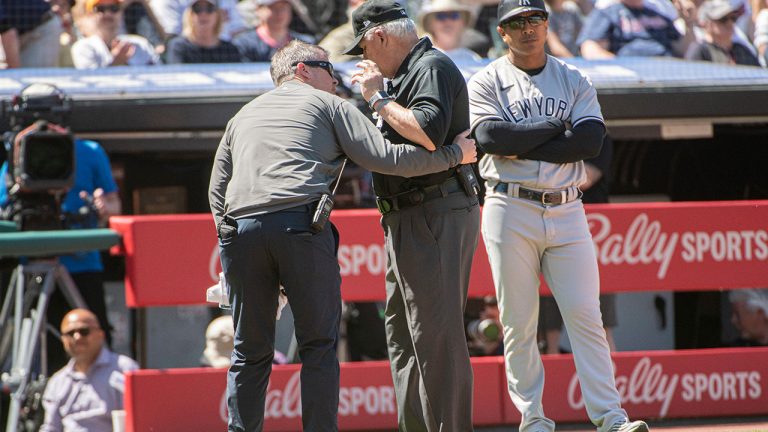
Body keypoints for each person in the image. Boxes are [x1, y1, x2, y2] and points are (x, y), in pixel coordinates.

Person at [208, 39, 476, 432]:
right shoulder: (329, 105)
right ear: (302, 70)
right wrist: (455, 155)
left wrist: (231, 240)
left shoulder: (241, 116)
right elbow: (388, 159)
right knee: (317, 345)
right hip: (299, 226)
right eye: (328, 70)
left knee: (249, 352)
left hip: (240, 233)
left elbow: (217, 192)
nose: (336, 80)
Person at [467, 0, 648, 430]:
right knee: (517, 320)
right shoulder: (486, 80)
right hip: (509, 205)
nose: (528, 27)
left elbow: (587, 143)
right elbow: (491, 137)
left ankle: (610, 418)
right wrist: (556, 129)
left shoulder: (574, 77)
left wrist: (523, 142)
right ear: (502, 32)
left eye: (535, 19)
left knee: (586, 316)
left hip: (567, 207)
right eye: (517, 22)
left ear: (547, 24)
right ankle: (532, 419)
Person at [343, 1, 481, 429]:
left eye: (363, 47)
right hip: (405, 215)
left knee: (436, 337)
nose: (363, 59)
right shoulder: (401, 74)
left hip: (434, 208)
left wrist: (377, 98)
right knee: (403, 337)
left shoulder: (430, 65)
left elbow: (426, 131)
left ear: (380, 36)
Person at [0, 132, 121, 371]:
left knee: (94, 337)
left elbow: (114, 204)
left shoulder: (90, 151)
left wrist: (104, 209)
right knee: (38, 349)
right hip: (30, 266)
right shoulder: (15, 153)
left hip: (82, 265)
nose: (44, 126)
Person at [538, 139, 619, 354]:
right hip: (554, 225)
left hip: (594, 232)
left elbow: (587, 178)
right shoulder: (550, 131)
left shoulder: (596, 133)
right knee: (550, 326)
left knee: (602, 323)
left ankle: (610, 384)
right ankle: (554, 383)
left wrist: (546, 174)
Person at [39, 308, 138, 432]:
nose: (77, 337)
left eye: (84, 331)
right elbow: (51, 427)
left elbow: (139, 419)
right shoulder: (57, 382)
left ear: (100, 334)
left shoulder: (124, 369)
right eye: (70, 333)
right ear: (63, 340)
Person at [578, 0, 694, 58]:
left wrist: (689, 23)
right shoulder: (609, 9)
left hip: (665, 70)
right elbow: (589, 48)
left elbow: (683, 49)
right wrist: (620, 67)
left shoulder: (658, 9)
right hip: (631, 77)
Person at [71, 0, 160, 68]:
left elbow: (161, 77)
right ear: (89, 14)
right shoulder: (83, 47)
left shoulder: (140, 44)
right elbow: (90, 86)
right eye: (100, 9)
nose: (108, 14)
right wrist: (115, 63)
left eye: (114, 8)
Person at [232, 0, 314, 62]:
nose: (279, 13)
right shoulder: (242, 44)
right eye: (273, 8)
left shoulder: (306, 44)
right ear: (258, 10)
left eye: (283, 7)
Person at [165, 0, 242, 63]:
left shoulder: (229, 50)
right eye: (197, 9)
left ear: (218, 15)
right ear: (190, 15)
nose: (203, 14)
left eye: (209, 9)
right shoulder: (179, 47)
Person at [685, 0, 760, 65]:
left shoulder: (742, 50)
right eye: (723, 19)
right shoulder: (700, 51)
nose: (730, 23)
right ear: (707, 23)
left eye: (733, 18)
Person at [418, 0, 489, 62]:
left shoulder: (474, 59)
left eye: (454, 15)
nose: (448, 21)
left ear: (463, 22)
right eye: (441, 16)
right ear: (430, 24)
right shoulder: (422, 59)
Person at [0, 0, 62, 68]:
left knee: (31, 75)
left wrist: (14, 71)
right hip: (19, 33)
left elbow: (7, 32)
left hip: (41, 29)